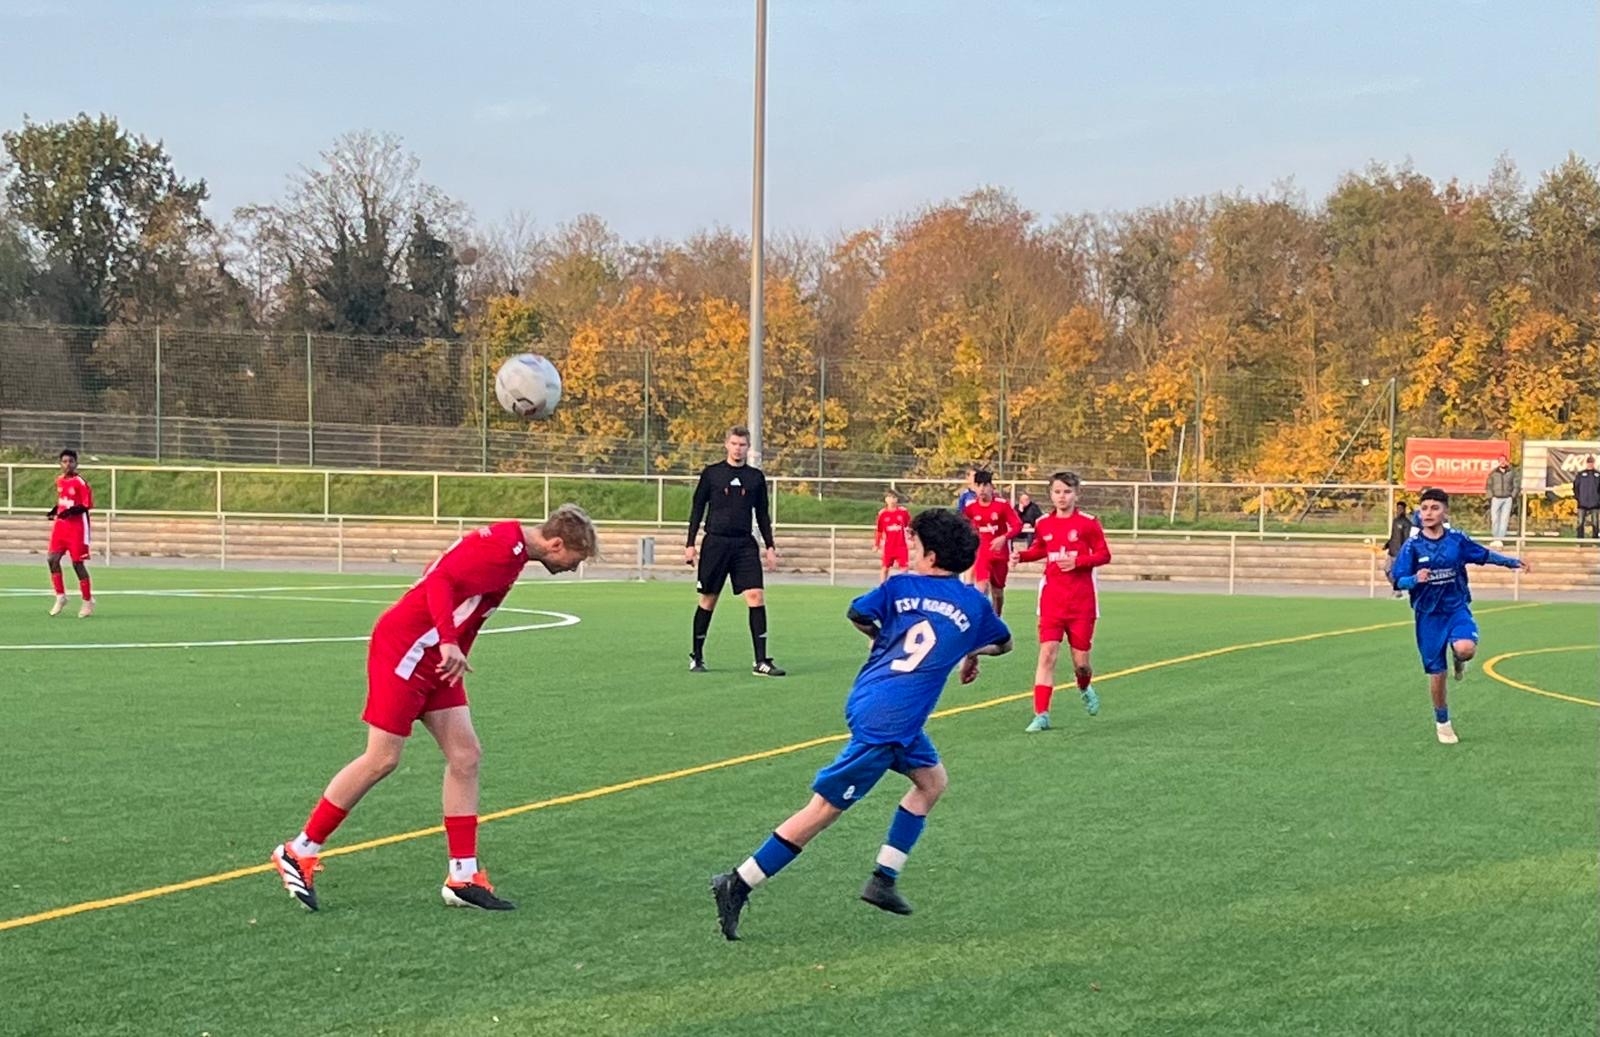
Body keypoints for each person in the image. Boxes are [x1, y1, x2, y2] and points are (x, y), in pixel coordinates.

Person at [269, 507, 597, 912]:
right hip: (406, 649)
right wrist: (447, 641)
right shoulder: (501, 548)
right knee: (381, 758)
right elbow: (439, 579)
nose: (573, 568)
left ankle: (462, 877)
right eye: (575, 560)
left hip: (435, 660)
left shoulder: (512, 548)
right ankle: (298, 851)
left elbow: (454, 588)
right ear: (557, 544)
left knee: (465, 755)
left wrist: (452, 647)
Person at [710, 509, 1012, 939]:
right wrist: (968, 651)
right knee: (823, 809)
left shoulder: (899, 586)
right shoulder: (974, 604)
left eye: (915, 546)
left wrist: (881, 639)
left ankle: (883, 880)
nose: (912, 553)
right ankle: (737, 883)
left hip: (884, 708)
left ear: (930, 556)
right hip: (889, 721)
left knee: (932, 782)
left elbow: (857, 612)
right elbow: (1004, 643)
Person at [1390, 488, 1529, 745]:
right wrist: (1414, 579)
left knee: (1465, 649)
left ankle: (1459, 656)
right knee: (1437, 674)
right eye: (1424, 508)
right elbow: (1397, 580)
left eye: (1435, 508)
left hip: (1456, 609)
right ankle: (1443, 723)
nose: (1428, 513)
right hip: (1428, 616)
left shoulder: (1457, 540)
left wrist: (1511, 562)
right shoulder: (1412, 546)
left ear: (1445, 512)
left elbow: (1483, 555)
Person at [1012, 471, 1111, 732]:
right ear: (1051, 494)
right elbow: (1040, 550)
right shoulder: (1043, 523)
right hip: (1051, 601)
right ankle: (1041, 714)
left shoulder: (1088, 523)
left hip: (1081, 603)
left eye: (1067, 492)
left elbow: (1104, 555)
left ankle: (1084, 686)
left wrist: (1078, 561)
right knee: (1047, 655)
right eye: (1057, 492)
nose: (1062, 497)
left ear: (1076, 494)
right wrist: (1022, 557)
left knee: (1081, 664)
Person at [685, 426, 784, 676]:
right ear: (726, 445)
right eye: (734, 444)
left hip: (744, 545)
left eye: (742, 445)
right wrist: (690, 544)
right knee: (708, 600)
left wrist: (770, 546)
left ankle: (761, 661)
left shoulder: (755, 478)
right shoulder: (712, 474)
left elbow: (762, 514)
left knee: (756, 596)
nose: (738, 449)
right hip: (715, 544)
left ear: (748, 447)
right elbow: (697, 509)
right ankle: (697, 656)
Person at [962, 470, 1022, 617]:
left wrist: (1004, 538)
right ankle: (981, 621)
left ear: (991, 486)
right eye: (978, 485)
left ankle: (997, 619)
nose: (982, 489)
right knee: (981, 587)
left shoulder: (1002, 505)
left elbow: (1017, 525)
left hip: (1000, 554)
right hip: (982, 553)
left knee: (998, 592)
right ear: (974, 487)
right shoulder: (970, 507)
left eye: (985, 485)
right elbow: (962, 526)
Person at [46, 448, 95, 618]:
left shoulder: (80, 482)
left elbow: (86, 505)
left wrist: (70, 512)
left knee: (77, 564)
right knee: (52, 559)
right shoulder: (59, 480)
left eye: (71, 461)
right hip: (61, 528)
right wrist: (55, 510)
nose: (68, 464)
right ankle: (60, 597)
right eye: (65, 461)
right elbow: (63, 501)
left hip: (77, 529)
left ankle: (87, 601)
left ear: (76, 463)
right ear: (60, 463)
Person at [874, 490, 912, 584]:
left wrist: (912, 539)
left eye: (894, 497)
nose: (892, 500)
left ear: (897, 499)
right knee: (885, 568)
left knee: (904, 568)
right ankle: (883, 587)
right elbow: (879, 530)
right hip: (889, 546)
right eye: (889, 497)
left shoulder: (903, 512)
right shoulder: (882, 514)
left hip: (901, 546)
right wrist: (876, 544)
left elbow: (909, 526)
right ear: (886, 499)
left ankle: (904, 586)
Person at [1484, 455, 1518, 547]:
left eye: (1504, 460)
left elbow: (1516, 485)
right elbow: (1488, 486)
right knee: (1494, 519)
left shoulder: (1511, 473)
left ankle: (1500, 540)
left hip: (1507, 499)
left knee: (1504, 520)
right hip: (1496, 498)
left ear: (1507, 461)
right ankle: (1495, 538)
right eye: (1500, 460)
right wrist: (1490, 497)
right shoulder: (1493, 473)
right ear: (1498, 462)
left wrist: (1512, 496)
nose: (1502, 462)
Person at [1384, 501, 1411, 599]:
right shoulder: (1395, 521)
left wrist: (1404, 552)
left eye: (1400, 509)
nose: (1398, 510)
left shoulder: (1407, 523)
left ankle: (1399, 591)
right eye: (1397, 508)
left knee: (1396, 572)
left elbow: (1407, 539)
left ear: (1404, 510)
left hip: (1399, 552)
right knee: (1387, 570)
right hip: (1391, 551)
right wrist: (1387, 544)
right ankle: (1397, 589)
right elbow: (1393, 536)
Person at [1573, 455, 1600, 541]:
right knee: (1580, 523)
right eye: (1588, 462)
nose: (1590, 464)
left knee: (1595, 523)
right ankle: (1580, 541)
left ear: (1594, 463)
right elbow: (1575, 487)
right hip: (1582, 503)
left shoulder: (1598, 475)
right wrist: (1578, 499)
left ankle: (1595, 541)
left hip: (1595, 503)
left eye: (1591, 462)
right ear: (1586, 463)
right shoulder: (1580, 474)